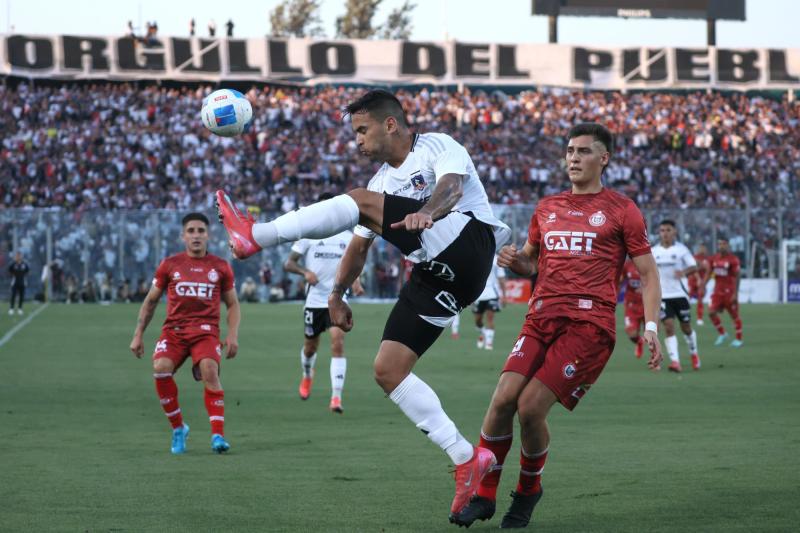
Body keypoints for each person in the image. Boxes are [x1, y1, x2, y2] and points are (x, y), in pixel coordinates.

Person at [216, 89, 511, 521]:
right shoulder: (379, 187)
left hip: (470, 244)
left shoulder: (437, 146)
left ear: (389, 124)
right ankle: (467, 458)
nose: (356, 139)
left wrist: (428, 211)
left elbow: (451, 188)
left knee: (356, 202)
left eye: (361, 129)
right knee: (387, 370)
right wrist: (336, 295)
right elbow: (357, 249)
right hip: (437, 275)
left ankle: (255, 236)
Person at [452, 123, 662, 529]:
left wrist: (650, 325)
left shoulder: (622, 209)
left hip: (589, 325)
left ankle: (528, 492)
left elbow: (648, 274)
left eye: (583, 151)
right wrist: (518, 262)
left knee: (530, 408)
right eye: (569, 151)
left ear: (604, 158)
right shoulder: (547, 207)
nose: (573, 158)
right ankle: (485, 494)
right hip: (541, 317)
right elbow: (533, 262)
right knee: (502, 400)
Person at [129, 213, 240, 455]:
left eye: (201, 230)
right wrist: (138, 334)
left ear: (208, 235)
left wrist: (232, 335)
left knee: (210, 369)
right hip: (175, 331)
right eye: (191, 231)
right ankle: (179, 428)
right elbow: (150, 301)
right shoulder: (170, 265)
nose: (196, 235)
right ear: (183, 236)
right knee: (160, 369)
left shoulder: (220, 267)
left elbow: (232, 304)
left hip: (206, 332)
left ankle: (217, 435)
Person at [283, 202, 364, 413]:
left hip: (337, 301)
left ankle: (336, 397)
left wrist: (356, 281)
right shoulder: (309, 236)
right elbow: (289, 264)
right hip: (314, 302)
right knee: (311, 347)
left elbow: (355, 265)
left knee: (338, 343)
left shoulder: (348, 238)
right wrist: (304, 272)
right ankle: (307, 375)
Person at [652, 220, 701, 372]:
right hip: (663, 296)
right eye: (662, 230)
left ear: (674, 232)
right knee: (668, 326)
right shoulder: (654, 251)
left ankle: (694, 353)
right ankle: (675, 361)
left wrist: (684, 272)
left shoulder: (681, 250)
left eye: (668, 230)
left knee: (686, 327)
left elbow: (694, 266)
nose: (665, 233)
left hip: (680, 295)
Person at [704, 237, 743, 347]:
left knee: (734, 316)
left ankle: (739, 339)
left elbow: (738, 276)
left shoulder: (733, 260)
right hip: (717, 292)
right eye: (719, 244)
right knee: (711, 312)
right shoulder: (714, 259)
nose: (721, 246)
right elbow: (708, 273)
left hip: (729, 292)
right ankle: (723, 333)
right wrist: (703, 285)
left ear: (728, 245)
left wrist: (736, 293)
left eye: (724, 244)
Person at [472, 254, 506, 350]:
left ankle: (489, 344)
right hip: (479, 294)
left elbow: (502, 279)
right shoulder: (477, 257)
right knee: (478, 320)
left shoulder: (497, 259)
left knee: (490, 319)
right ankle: (482, 333)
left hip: (493, 293)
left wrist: (504, 296)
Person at [620, 257, 646, 359]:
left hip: (647, 303)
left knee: (651, 333)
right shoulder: (627, 265)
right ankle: (639, 341)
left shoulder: (648, 263)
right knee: (631, 333)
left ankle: (655, 359)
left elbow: (656, 279)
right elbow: (621, 279)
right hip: (631, 303)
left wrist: (645, 287)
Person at [689, 244, 710, 325]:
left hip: (701, 283)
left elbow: (708, 271)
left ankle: (699, 318)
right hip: (693, 281)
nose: (702, 250)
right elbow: (693, 269)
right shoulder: (694, 257)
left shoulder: (707, 259)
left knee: (700, 299)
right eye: (701, 248)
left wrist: (703, 283)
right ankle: (685, 315)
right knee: (688, 298)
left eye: (704, 248)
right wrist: (698, 279)